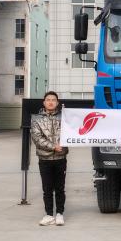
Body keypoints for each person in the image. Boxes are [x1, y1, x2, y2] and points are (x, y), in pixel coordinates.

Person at [31, 91, 68, 226]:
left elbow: (70, 133)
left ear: (57, 103)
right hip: (44, 159)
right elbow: (37, 138)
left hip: (60, 158)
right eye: (48, 100)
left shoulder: (65, 117)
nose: (51, 102)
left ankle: (59, 214)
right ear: (44, 102)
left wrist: (62, 147)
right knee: (47, 188)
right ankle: (48, 214)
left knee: (60, 188)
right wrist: (54, 147)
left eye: (53, 100)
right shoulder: (36, 119)